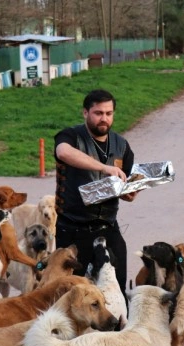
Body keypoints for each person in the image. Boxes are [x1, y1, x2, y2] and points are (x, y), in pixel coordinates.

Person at [54, 89, 138, 295]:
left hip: (108, 226)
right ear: (85, 113)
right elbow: (63, 152)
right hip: (72, 229)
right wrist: (103, 167)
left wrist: (128, 193)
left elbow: (125, 183)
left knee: (116, 291)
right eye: (98, 113)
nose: (104, 118)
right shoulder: (71, 136)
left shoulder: (122, 146)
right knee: (73, 295)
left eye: (109, 113)